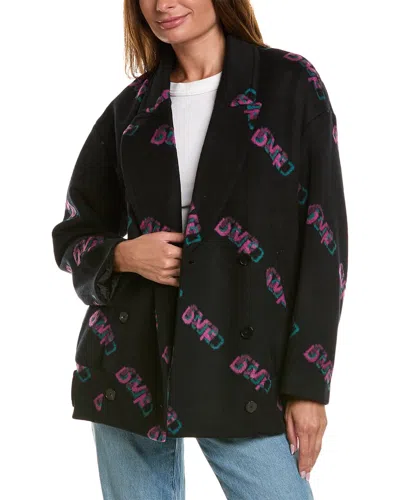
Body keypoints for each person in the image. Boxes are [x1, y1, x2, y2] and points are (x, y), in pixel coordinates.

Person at [51, 0, 348, 498]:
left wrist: (307, 387)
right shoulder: (132, 108)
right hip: (131, 358)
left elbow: (325, 245)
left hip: (245, 361)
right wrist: (124, 255)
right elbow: (74, 233)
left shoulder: (290, 83)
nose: (162, 4)